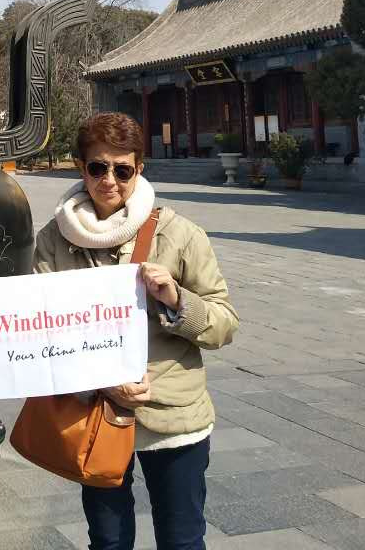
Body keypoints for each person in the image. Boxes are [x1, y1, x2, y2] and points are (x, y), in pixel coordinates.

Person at [34, 112, 238, 550]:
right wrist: (103, 383)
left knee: (182, 540)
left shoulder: (181, 235)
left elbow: (224, 323)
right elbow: (44, 334)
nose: (110, 180)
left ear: (139, 169)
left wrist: (177, 300)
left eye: (122, 169)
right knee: (107, 541)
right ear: (80, 166)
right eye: (98, 167)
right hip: (97, 412)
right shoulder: (54, 239)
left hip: (173, 414)